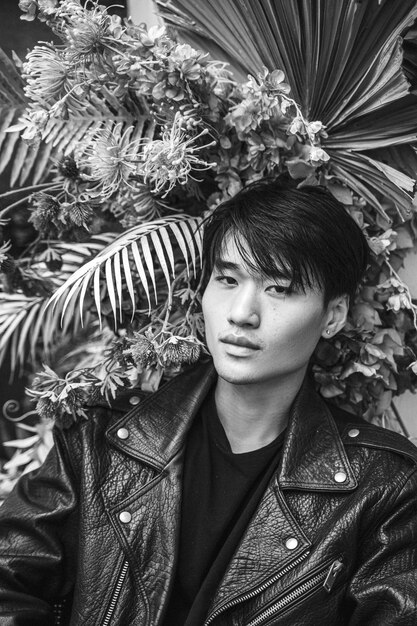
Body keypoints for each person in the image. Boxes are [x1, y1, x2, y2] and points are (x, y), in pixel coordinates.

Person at [0, 178, 416, 626]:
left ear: (332, 316)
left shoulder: (384, 485)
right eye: (227, 279)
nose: (241, 313)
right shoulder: (101, 437)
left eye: (279, 288)